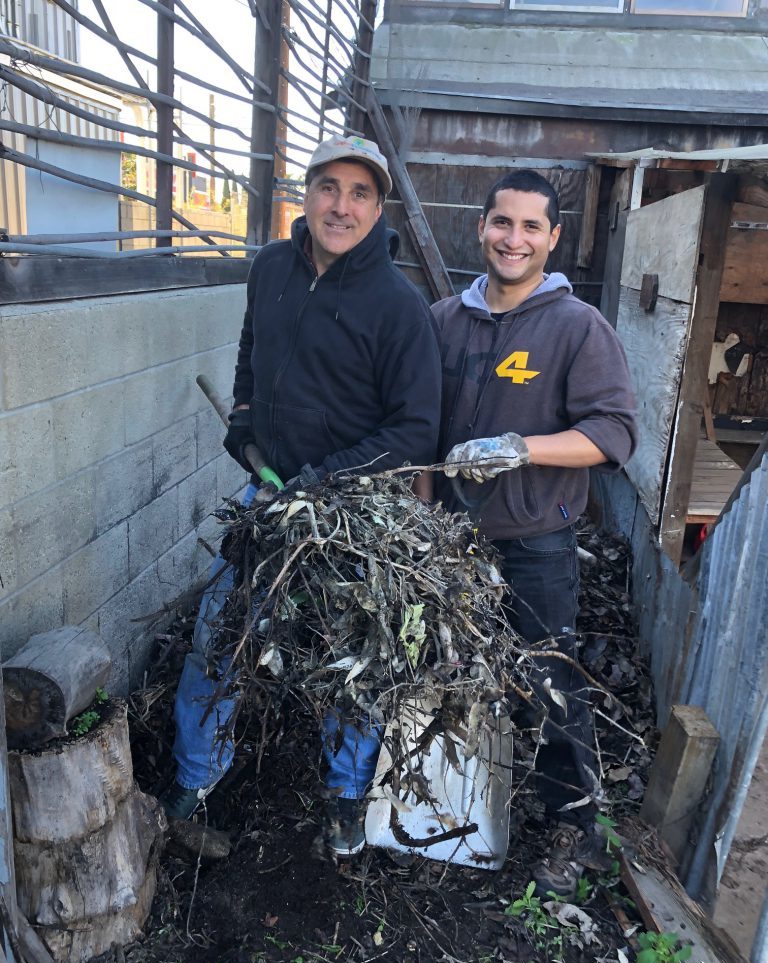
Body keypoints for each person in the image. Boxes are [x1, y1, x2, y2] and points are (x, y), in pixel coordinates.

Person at [161, 135, 442, 859]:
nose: (340, 206)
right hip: (270, 494)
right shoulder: (271, 269)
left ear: (379, 209)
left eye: (359, 194)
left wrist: (327, 479)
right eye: (328, 187)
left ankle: (346, 799)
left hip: (354, 514)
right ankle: (194, 782)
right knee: (220, 635)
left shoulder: (398, 305)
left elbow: (413, 429)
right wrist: (246, 421)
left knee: (350, 656)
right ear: (306, 192)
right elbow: (252, 353)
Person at [431, 169, 637, 897]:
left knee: (547, 682)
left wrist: (522, 446)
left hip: (534, 543)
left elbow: (614, 434)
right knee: (443, 672)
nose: (512, 239)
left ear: (552, 239)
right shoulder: (443, 321)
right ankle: (442, 803)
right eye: (500, 223)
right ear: (479, 228)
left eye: (529, 228)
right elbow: (418, 428)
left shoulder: (577, 327)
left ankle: (572, 826)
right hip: (448, 541)